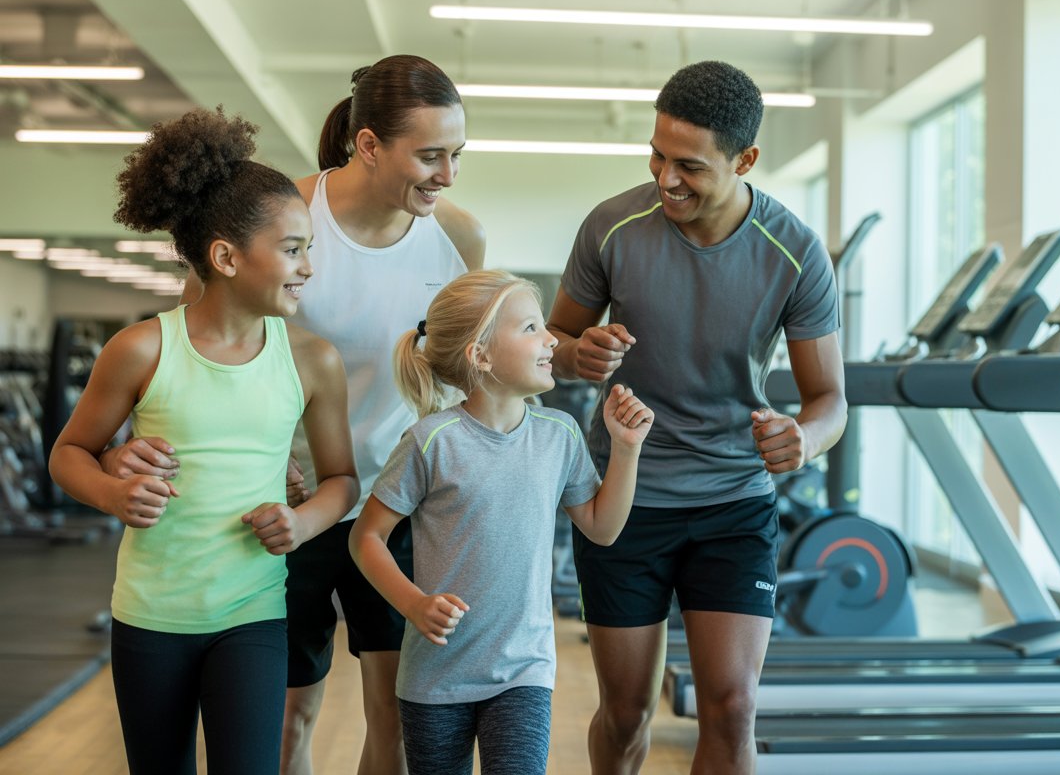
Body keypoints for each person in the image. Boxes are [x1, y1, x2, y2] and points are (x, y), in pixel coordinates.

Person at [98, 55, 486, 775]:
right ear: (369, 145)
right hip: (286, 511)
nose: (447, 175)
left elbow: (461, 367)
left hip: (398, 506)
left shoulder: (458, 236)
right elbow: (207, 357)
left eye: (456, 155)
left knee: (394, 717)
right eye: (430, 155)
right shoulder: (282, 220)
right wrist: (266, 460)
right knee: (288, 717)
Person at [547, 60, 847, 774]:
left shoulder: (795, 252)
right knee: (624, 714)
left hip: (733, 502)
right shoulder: (613, 228)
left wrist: (803, 437)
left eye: (690, 165)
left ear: (745, 160)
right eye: (656, 155)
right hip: (624, 500)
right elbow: (553, 346)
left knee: (733, 707)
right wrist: (577, 355)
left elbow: (830, 400)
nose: (665, 178)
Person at [48, 107, 359, 775]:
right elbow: (68, 454)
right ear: (225, 256)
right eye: (294, 248)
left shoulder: (312, 361)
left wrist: (301, 524)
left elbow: (342, 481)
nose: (309, 267)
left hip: (252, 613)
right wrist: (112, 490)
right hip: (150, 614)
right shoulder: (139, 349)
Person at [349, 269, 653, 775]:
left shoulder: (560, 434)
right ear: (481, 355)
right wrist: (415, 604)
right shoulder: (432, 441)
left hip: (524, 670)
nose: (551, 338)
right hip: (436, 677)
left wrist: (625, 451)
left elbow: (602, 528)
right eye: (531, 327)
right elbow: (366, 538)